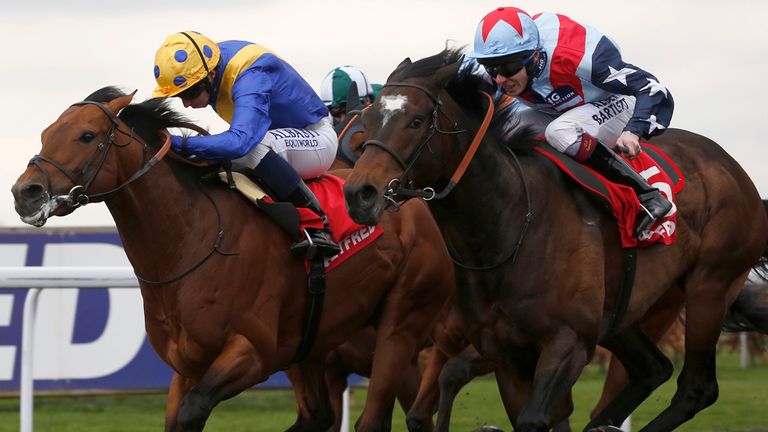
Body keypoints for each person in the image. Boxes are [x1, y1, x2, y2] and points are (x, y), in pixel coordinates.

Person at [467, 7, 674, 236]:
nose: (499, 78)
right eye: (492, 68)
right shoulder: (497, 64)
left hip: (615, 101)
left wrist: (634, 131)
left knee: (560, 131)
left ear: (534, 56)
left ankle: (647, 194)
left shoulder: (580, 57)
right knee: (500, 129)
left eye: (508, 68)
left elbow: (652, 88)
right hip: (561, 111)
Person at [152, 31, 341, 258]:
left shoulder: (250, 75)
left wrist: (178, 143)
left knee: (254, 148)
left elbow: (241, 142)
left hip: (315, 138)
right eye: (180, 96)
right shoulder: (205, 61)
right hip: (279, 140)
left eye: (190, 93)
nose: (186, 103)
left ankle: (319, 226)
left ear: (211, 74)